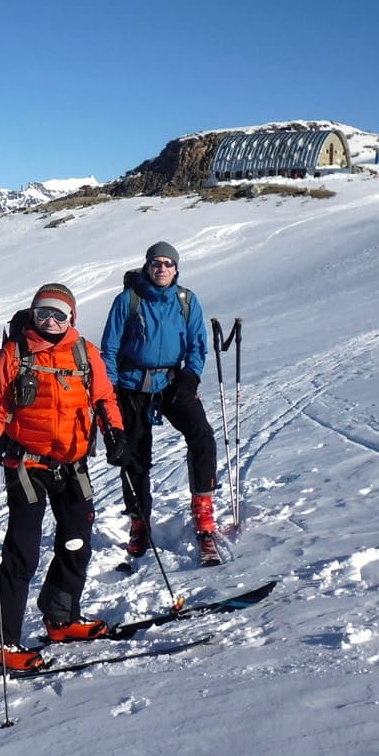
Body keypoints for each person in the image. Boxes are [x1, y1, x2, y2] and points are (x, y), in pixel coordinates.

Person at [0, 283, 133, 672]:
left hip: (73, 463)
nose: (50, 320)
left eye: (59, 314)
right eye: (43, 312)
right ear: (32, 312)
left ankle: (61, 618)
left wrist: (116, 433)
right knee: (22, 553)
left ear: (71, 318)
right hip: (27, 464)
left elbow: (104, 398)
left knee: (76, 542)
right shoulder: (16, 352)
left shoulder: (84, 351)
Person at [99, 242, 221, 566]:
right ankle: (139, 523)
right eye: (156, 263)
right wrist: (109, 389)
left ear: (176, 268)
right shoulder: (128, 300)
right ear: (147, 266)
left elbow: (198, 345)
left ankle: (204, 513)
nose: (162, 268)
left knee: (202, 437)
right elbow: (108, 349)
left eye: (168, 263)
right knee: (135, 454)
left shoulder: (186, 300)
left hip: (172, 382)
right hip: (131, 385)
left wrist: (190, 377)